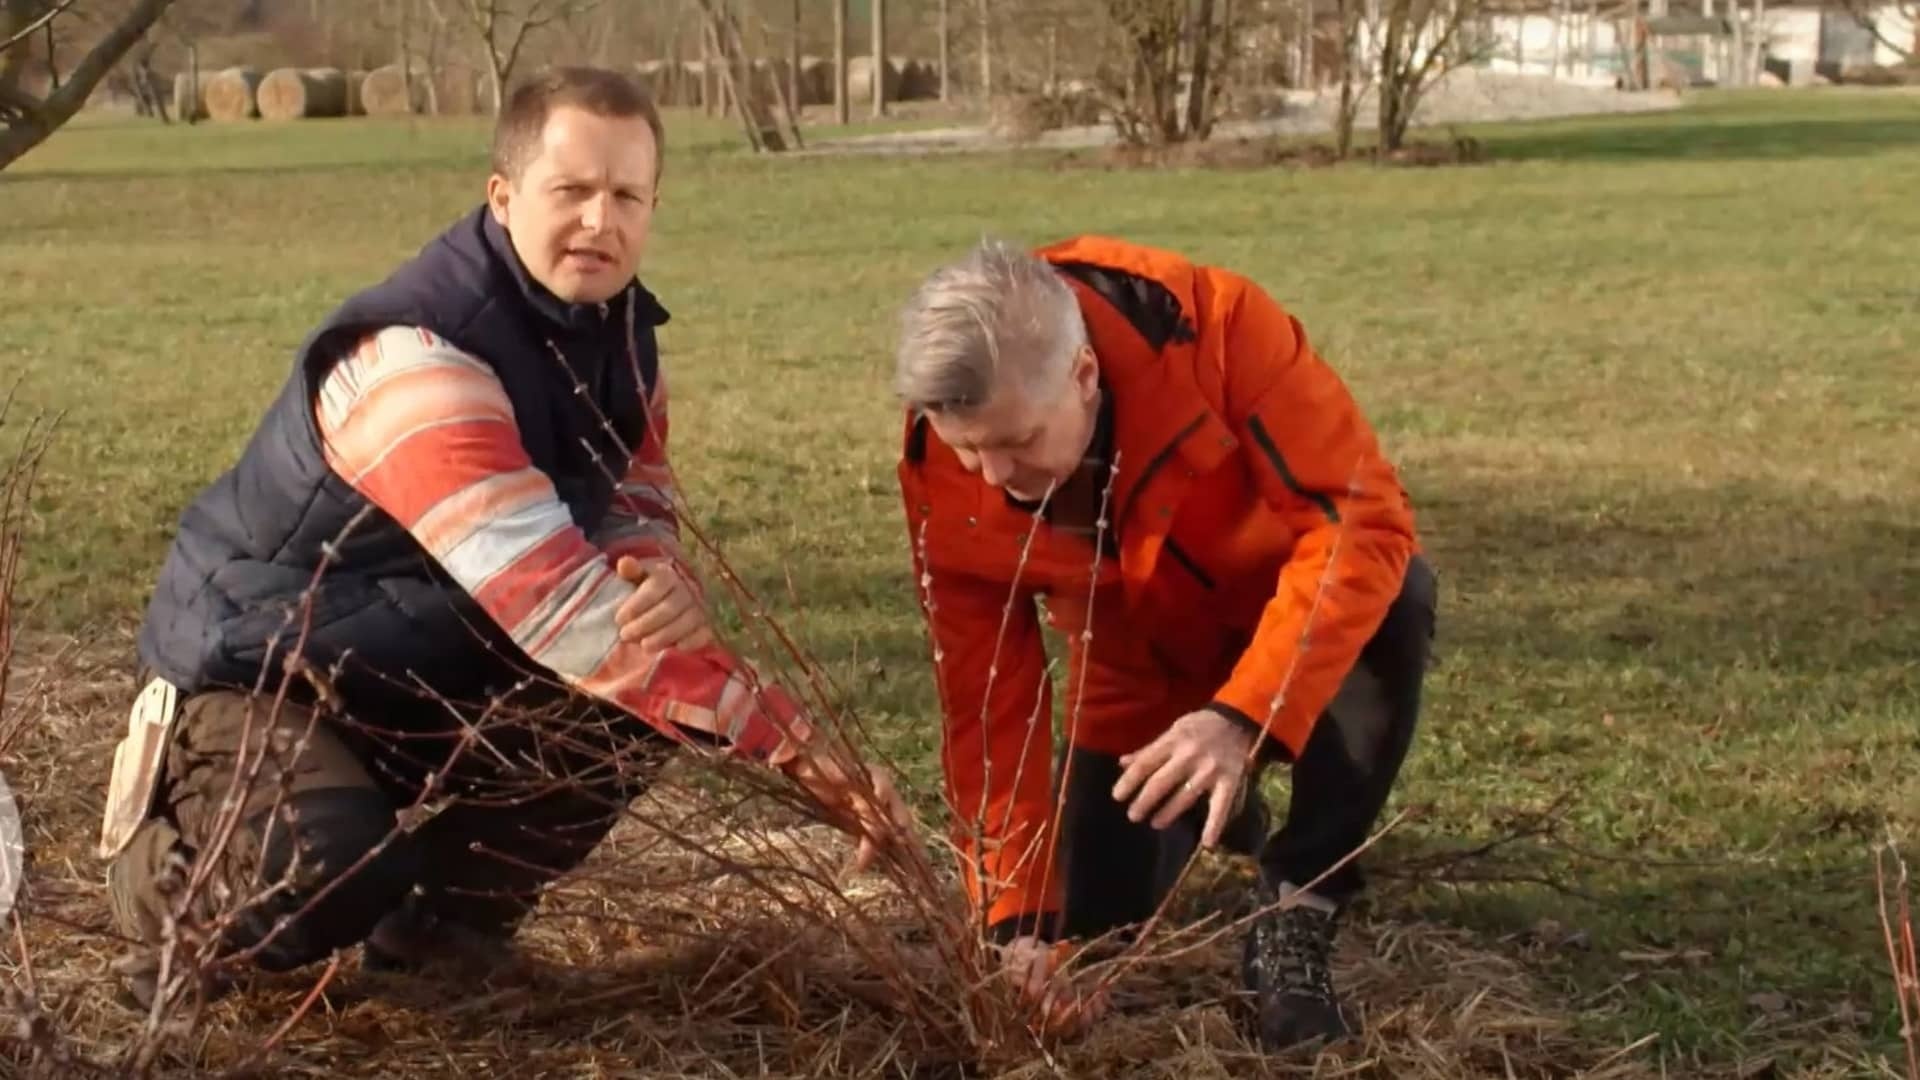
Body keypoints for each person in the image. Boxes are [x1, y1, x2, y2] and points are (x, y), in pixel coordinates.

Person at [101, 66, 907, 1008]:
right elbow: (567, 614)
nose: (600, 223)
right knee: (323, 870)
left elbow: (634, 494)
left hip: (432, 656)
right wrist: (802, 752)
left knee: (627, 714)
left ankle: (439, 935)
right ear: (503, 194)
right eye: (571, 191)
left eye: (625, 196)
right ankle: (159, 884)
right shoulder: (417, 362)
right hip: (275, 674)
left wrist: (657, 575)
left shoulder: (618, 336)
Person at [891, 235, 1437, 1050]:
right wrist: (1014, 926)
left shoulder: (1221, 330)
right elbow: (987, 699)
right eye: (970, 447)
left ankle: (1298, 903)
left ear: (1082, 376)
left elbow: (1359, 522)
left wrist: (1245, 714)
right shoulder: (944, 459)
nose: (993, 476)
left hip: (1284, 636)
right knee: (1091, 948)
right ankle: (1222, 813)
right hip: (1134, 681)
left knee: (1396, 597)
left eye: (1019, 442)